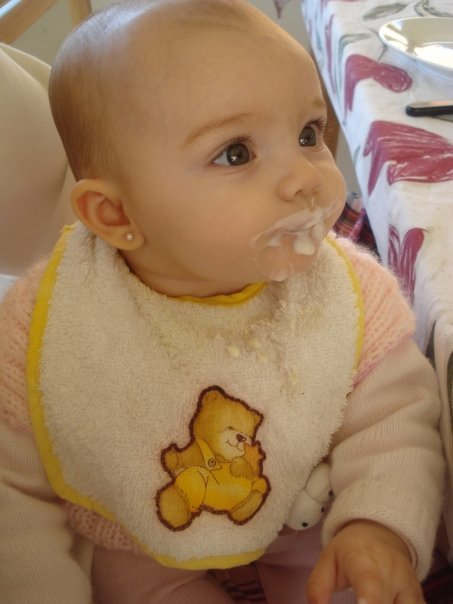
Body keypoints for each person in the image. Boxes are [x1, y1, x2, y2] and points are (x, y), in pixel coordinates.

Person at [0, 1, 445, 603]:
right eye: (236, 153)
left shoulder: (345, 293)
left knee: (351, 581)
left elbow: (395, 414)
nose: (304, 177)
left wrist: (377, 523)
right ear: (116, 214)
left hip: (304, 513)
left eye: (308, 134)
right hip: (138, 538)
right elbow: (12, 498)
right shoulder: (48, 327)